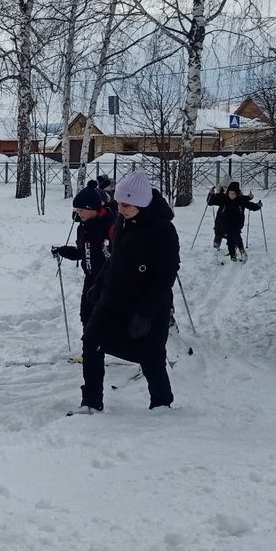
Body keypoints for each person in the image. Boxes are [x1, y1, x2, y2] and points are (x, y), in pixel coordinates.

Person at [76, 169, 179, 415]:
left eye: (125, 205)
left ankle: (162, 404)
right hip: (113, 297)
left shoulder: (162, 229)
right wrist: (98, 284)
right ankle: (91, 402)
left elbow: (165, 277)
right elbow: (115, 258)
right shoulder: (122, 221)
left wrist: (145, 313)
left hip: (147, 303)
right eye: (119, 203)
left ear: (142, 204)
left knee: (151, 357)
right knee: (91, 342)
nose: (119, 209)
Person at [51, 183, 112, 326]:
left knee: (103, 320)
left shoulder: (109, 225)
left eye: (81, 209)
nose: (78, 213)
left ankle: (103, 346)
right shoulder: (83, 227)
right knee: (86, 316)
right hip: (90, 280)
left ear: (93, 208)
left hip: (107, 282)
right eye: (77, 209)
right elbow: (82, 252)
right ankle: (89, 346)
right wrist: (62, 250)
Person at [207, 181, 262, 262]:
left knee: (236, 235)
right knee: (230, 238)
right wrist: (211, 194)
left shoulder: (240, 200)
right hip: (226, 222)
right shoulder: (224, 199)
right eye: (230, 193)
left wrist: (258, 206)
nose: (231, 195)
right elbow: (210, 202)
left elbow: (250, 206)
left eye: (233, 194)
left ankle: (242, 250)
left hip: (237, 222)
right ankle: (232, 255)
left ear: (237, 193)